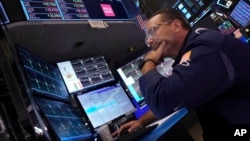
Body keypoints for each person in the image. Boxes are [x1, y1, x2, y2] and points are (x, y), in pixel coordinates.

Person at [113, 8, 250, 141]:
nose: (149, 41)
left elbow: (162, 101)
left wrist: (147, 62)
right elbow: (178, 95)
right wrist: (141, 121)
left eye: (153, 31)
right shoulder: (197, 44)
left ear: (176, 25)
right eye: (147, 37)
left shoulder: (205, 50)